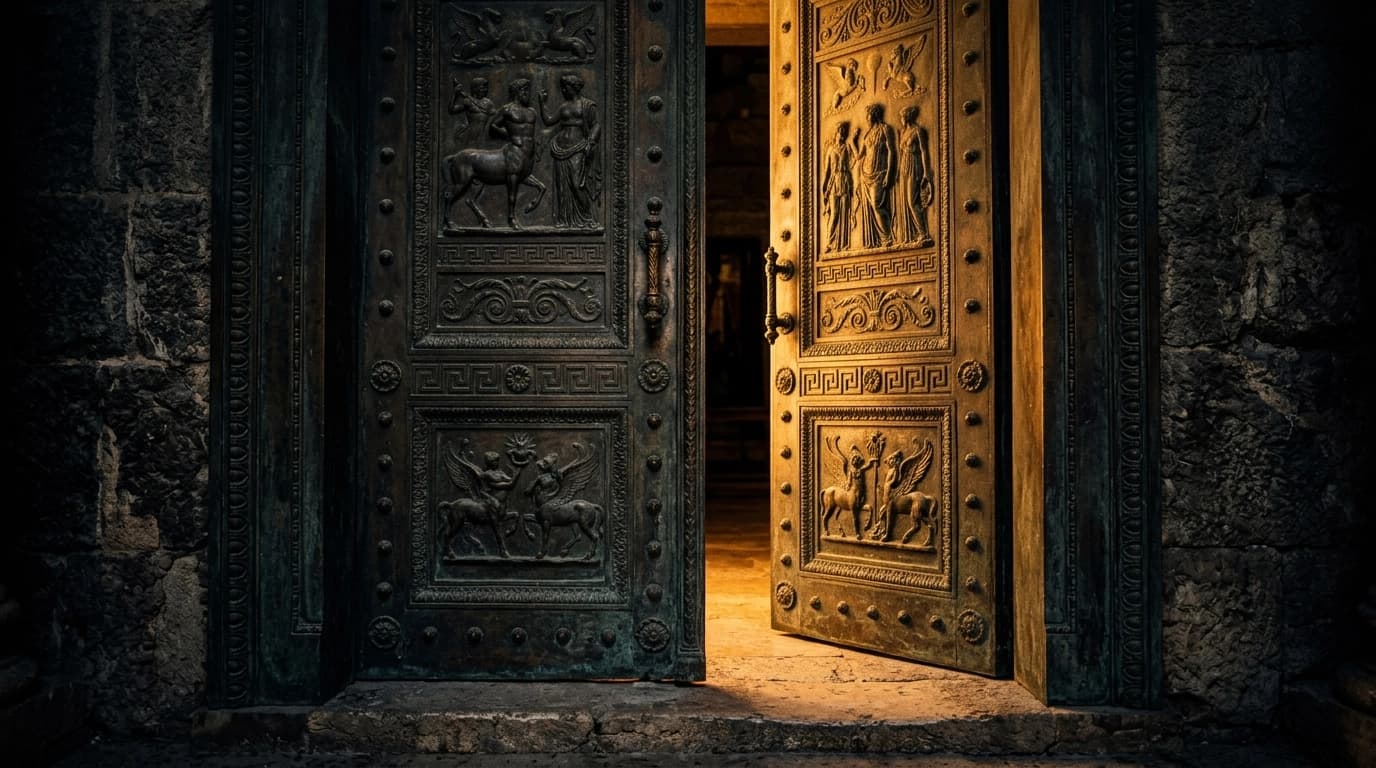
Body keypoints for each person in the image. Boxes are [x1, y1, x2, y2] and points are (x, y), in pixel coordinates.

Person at [538, 73, 602, 228]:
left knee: (576, 183)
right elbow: (548, 121)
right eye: (562, 88)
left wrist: (591, 141)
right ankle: (564, 219)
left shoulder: (587, 105)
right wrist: (542, 103)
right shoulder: (564, 106)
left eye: (565, 88)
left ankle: (587, 217)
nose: (563, 91)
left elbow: (596, 125)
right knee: (562, 186)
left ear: (574, 87)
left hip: (578, 147)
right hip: (560, 149)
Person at [853, 103, 897, 249]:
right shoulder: (868, 134)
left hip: (879, 173)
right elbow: (859, 156)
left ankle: (888, 236)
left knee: (877, 205)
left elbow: (891, 151)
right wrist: (853, 141)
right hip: (866, 175)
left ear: (875, 115)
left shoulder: (885, 129)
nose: (867, 119)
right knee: (873, 206)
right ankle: (882, 238)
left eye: (868, 116)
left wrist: (889, 173)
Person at [894, 105, 935, 247]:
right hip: (904, 167)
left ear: (908, 117)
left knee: (912, 201)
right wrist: (898, 171)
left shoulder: (918, 131)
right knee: (905, 202)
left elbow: (924, 151)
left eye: (903, 116)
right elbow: (901, 153)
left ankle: (923, 233)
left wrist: (926, 171)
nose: (901, 119)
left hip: (915, 165)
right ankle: (910, 235)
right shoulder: (903, 132)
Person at [821, 121, 855, 252]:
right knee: (834, 213)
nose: (842, 135)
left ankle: (843, 244)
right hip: (834, 182)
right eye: (840, 133)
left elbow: (854, 162)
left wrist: (854, 140)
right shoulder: (830, 150)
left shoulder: (847, 147)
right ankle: (830, 243)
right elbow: (827, 171)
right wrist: (824, 188)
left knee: (844, 213)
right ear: (836, 133)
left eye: (844, 133)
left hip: (845, 180)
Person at [448, 76, 495, 140]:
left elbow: (494, 118)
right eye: (482, 88)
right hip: (470, 135)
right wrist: (454, 94)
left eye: (485, 88)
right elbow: (452, 110)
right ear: (475, 89)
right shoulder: (468, 101)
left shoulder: (489, 103)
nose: (485, 90)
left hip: (483, 135)